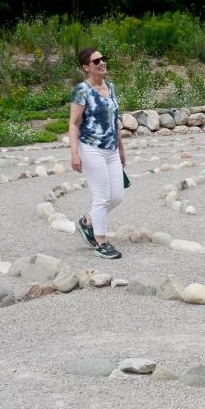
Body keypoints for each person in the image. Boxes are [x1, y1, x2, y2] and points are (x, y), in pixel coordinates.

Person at [70, 47, 125, 259]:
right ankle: (101, 242)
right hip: (91, 148)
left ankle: (87, 222)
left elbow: (114, 121)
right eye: (96, 61)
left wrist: (121, 149)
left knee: (117, 196)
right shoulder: (82, 90)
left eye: (103, 58)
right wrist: (75, 153)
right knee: (102, 197)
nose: (102, 63)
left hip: (111, 149)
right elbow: (74, 123)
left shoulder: (110, 87)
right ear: (86, 67)